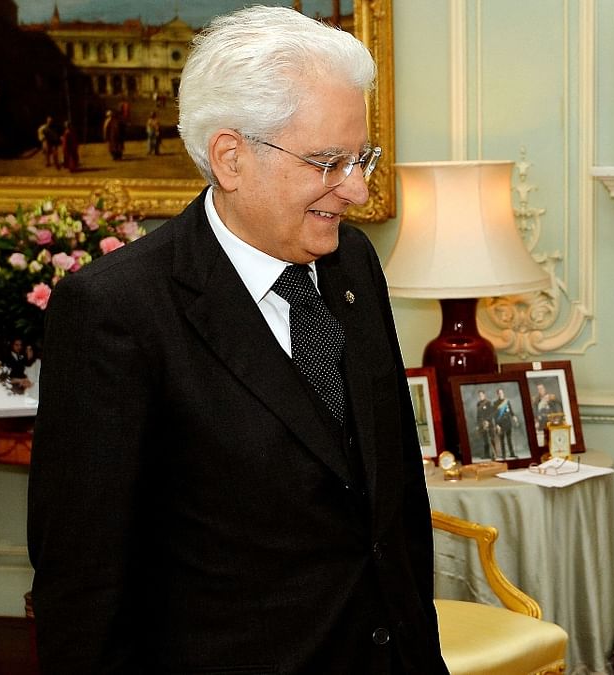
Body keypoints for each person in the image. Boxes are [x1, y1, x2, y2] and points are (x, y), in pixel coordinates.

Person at [28, 7, 446, 674]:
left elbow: (395, 504)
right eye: (328, 161)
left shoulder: (354, 265)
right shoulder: (117, 312)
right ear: (231, 157)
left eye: (360, 156)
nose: (358, 188)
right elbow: (82, 587)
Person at [492, 387, 518, 459]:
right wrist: (497, 425)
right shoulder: (495, 403)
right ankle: (503, 455)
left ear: (503, 393)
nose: (501, 394)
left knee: (509, 439)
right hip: (501, 423)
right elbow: (495, 415)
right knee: (502, 439)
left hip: (508, 422)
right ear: (497, 394)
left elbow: (511, 411)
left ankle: (512, 453)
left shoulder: (507, 401)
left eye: (501, 393)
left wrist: (514, 416)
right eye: (499, 393)